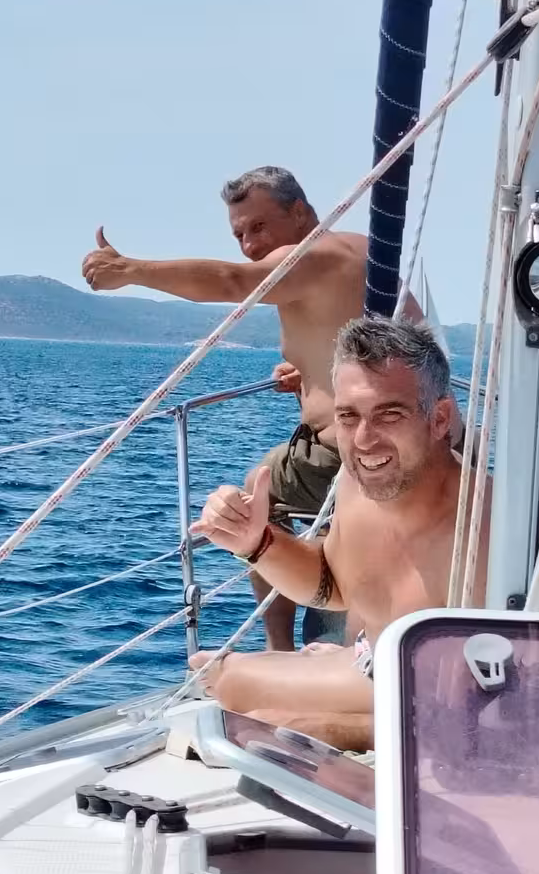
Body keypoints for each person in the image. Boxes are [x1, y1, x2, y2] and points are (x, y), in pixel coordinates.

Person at [82, 166, 366, 651]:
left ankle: (279, 649)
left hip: (352, 456)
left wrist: (132, 270)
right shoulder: (355, 249)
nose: (250, 246)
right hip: (394, 436)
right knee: (268, 481)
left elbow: (234, 280)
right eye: (239, 235)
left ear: (300, 212)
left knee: (253, 502)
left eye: (259, 227)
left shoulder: (314, 255)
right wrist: (311, 375)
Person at [189, 316, 485, 750]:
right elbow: (332, 587)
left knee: (249, 718)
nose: (364, 441)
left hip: (442, 707)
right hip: (376, 668)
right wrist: (257, 543)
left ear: (439, 418)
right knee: (217, 676)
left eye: (389, 414)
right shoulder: (354, 483)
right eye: (348, 417)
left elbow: (486, 715)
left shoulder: (483, 526)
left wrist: (324, 728)